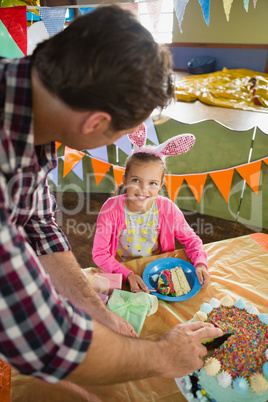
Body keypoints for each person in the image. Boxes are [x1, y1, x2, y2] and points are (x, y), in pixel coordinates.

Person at [0, 4, 222, 387]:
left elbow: (38, 225)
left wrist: (88, 304)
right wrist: (162, 354)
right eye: (120, 134)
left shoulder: (32, 112)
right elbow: (46, 342)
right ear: (96, 123)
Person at [93, 125, 210, 292]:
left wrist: (200, 263)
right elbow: (100, 253)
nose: (143, 189)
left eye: (152, 183)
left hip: (158, 270)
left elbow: (191, 240)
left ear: (160, 185)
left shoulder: (167, 208)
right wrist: (127, 275)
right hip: (121, 270)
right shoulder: (111, 209)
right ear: (124, 180)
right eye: (136, 180)